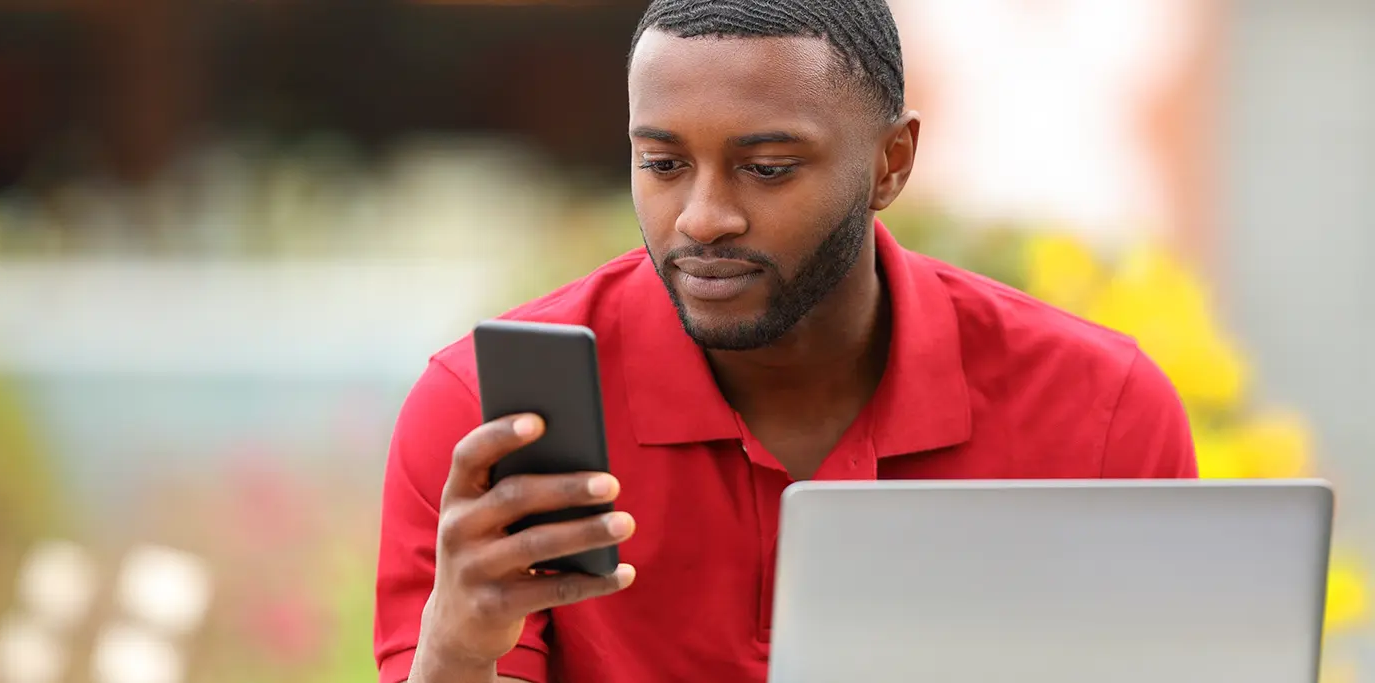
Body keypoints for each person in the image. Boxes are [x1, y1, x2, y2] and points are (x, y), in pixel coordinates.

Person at [374, 0, 1198, 681]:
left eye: (766, 168)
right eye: (662, 164)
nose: (701, 218)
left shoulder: (1101, 409)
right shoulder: (484, 414)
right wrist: (454, 653)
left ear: (892, 163)